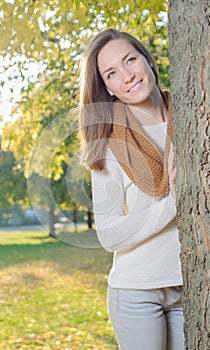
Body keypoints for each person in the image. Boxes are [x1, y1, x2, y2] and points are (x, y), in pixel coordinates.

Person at [78, 28, 184, 350]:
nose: (127, 76)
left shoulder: (191, 116)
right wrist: (171, 204)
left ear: (147, 59)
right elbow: (108, 235)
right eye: (112, 73)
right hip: (136, 294)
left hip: (189, 287)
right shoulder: (110, 143)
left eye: (130, 60)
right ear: (107, 87)